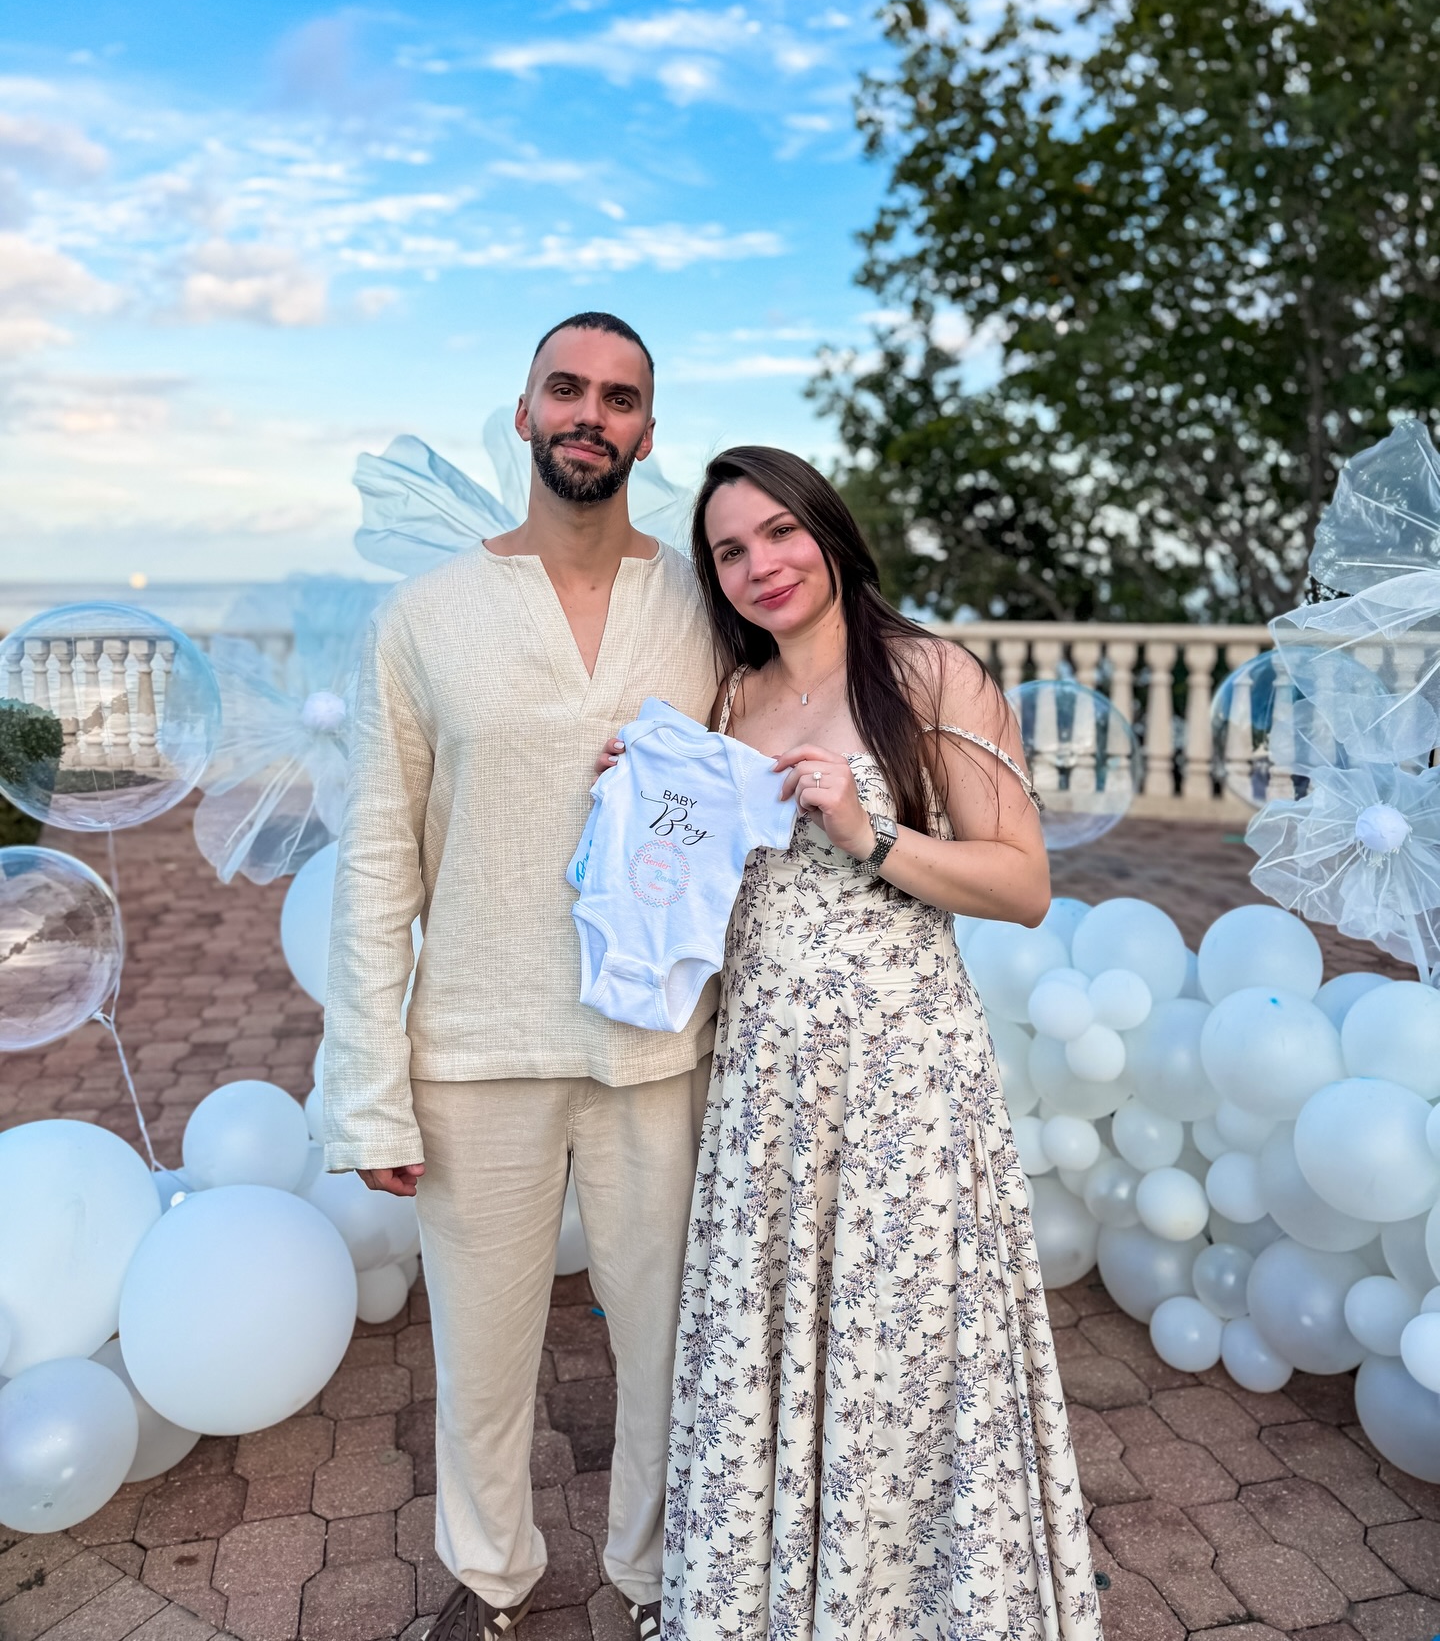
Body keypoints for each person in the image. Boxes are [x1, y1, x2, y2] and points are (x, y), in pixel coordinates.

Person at [654, 445, 1103, 1641]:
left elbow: (1022, 885)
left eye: (779, 533)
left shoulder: (929, 674)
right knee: (776, 1349)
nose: (761, 566)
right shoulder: (729, 702)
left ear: (829, 531)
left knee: (900, 1356)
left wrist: (870, 834)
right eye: (730, 551)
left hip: (902, 1082)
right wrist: (648, 797)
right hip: (764, 1084)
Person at [322, 312, 719, 1641]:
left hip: (658, 1050)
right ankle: (492, 1583)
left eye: (619, 397)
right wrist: (371, 1091)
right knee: (482, 1359)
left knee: (664, 1352)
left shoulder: (705, 611)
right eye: (568, 389)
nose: (590, 414)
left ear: (649, 433)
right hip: (478, 1049)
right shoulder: (424, 618)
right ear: (525, 411)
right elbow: (380, 862)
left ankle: (658, 1580)